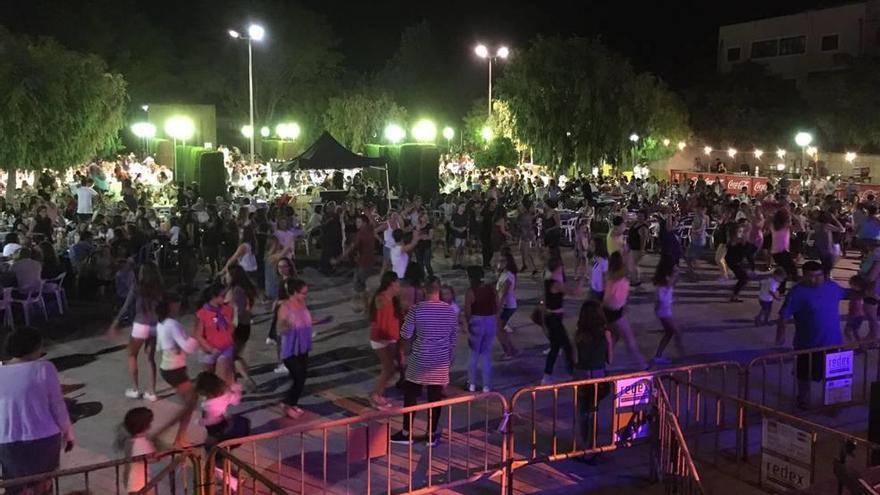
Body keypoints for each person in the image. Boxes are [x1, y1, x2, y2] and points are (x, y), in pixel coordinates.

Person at [0, 329, 74, 494]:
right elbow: (57, 405)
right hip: (44, 437)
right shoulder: (44, 368)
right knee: (43, 486)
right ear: (34, 347)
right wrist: (68, 433)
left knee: (15, 486)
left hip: (8, 440)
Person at [391, 277, 458, 447]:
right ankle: (431, 435)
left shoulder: (417, 309)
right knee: (434, 398)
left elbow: (405, 334)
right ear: (439, 290)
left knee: (411, 395)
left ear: (424, 290)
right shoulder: (450, 311)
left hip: (419, 359)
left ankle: (407, 433)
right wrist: (450, 359)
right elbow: (453, 338)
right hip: (440, 361)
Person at [776, 261, 846, 408]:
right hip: (807, 343)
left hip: (833, 342)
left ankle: (834, 403)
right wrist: (780, 334)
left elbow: (848, 293)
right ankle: (803, 399)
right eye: (810, 276)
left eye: (818, 275)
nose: (815, 279)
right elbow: (784, 315)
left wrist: (866, 289)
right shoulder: (797, 292)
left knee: (834, 376)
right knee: (803, 374)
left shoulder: (832, 287)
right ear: (804, 276)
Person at [277, 278, 332, 419]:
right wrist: (286, 327)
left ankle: (290, 403)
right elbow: (281, 325)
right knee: (299, 377)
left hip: (303, 347)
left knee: (301, 378)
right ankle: (287, 404)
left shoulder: (302, 304)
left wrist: (321, 321)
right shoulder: (285, 307)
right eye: (303, 293)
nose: (305, 296)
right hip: (291, 349)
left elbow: (306, 319)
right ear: (294, 292)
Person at [109, 261, 164, 401]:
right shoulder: (159, 288)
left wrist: (116, 322)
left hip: (140, 324)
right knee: (150, 359)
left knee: (132, 355)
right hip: (154, 325)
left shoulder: (137, 287)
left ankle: (135, 389)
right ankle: (152, 392)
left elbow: (126, 306)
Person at [154, 292, 199, 447]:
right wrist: (196, 335)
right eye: (177, 303)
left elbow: (160, 347)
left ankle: (179, 437)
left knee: (190, 403)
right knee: (189, 404)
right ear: (170, 305)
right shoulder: (172, 324)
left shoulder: (161, 323)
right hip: (175, 369)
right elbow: (188, 347)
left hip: (168, 367)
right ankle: (171, 436)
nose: (179, 306)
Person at [574, 300, 613, 462]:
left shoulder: (578, 334)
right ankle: (593, 446)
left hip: (582, 375)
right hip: (598, 375)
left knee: (583, 412)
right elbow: (610, 359)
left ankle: (584, 446)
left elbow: (575, 358)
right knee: (594, 412)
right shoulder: (606, 334)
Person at [542, 257, 584, 384]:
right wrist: (582, 278)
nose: (563, 269)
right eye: (561, 267)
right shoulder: (555, 284)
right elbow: (575, 292)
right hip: (554, 319)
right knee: (567, 345)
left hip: (552, 318)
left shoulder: (549, 281)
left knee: (555, 347)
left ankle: (547, 375)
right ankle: (571, 373)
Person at [604, 252, 648, 370]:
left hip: (611, 310)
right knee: (628, 338)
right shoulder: (619, 276)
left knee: (615, 336)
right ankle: (640, 364)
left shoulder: (611, 276)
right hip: (615, 311)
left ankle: (607, 361)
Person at [369, 272, 402, 409]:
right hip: (381, 339)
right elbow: (378, 319)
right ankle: (376, 395)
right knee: (389, 368)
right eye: (397, 282)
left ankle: (379, 393)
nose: (399, 285)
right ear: (391, 283)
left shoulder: (394, 299)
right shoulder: (381, 299)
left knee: (392, 368)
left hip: (391, 338)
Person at [194, 372, 251, 452]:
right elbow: (236, 400)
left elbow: (212, 421)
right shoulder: (225, 396)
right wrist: (236, 388)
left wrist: (200, 422)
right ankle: (224, 461)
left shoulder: (208, 405)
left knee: (212, 450)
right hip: (234, 428)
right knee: (223, 450)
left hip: (218, 431)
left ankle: (216, 461)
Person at [194, 282, 236, 386]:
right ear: (214, 297)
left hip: (225, 348)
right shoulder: (202, 313)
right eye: (223, 296)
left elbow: (231, 328)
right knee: (210, 379)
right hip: (208, 350)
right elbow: (198, 335)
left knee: (222, 378)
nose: (226, 298)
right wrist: (211, 349)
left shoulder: (228, 310)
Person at [464, 266, 498, 392]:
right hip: (490, 320)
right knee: (486, 355)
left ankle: (471, 384)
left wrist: (467, 324)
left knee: (473, 355)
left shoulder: (471, 291)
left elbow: (468, 311)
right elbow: (497, 304)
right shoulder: (491, 289)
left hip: (476, 321)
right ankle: (486, 386)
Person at [224, 265, 258, 391]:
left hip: (236, 327)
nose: (225, 277)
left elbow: (237, 310)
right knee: (234, 356)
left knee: (232, 356)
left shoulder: (235, 291)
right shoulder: (244, 289)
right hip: (244, 326)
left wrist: (231, 327)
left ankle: (247, 379)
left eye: (227, 274)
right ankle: (235, 382)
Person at [336, 214, 376, 313]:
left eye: (359, 222)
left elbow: (351, 249)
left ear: (364, 223)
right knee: (362, 286)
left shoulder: (361, 234)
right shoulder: (370, 230)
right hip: (368, 261)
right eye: (356, 222)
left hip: (363, 263)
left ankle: (368, 308)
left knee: (361, 286)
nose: (356, 224)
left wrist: (338, 259)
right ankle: (367, 307)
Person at [115, 407, 156, 494]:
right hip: (139, 483)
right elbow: (153, 458)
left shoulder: (129, 440)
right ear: (146, 425)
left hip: (131, 481)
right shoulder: (141, 443)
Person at [651, 266, 683, 364]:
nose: (677, 278)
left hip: (664, 312)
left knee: (670, 333)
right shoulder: (664, 287)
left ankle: (659, 355)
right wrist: (658, 309)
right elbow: (659, 301)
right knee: (675, 331)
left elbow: (663, 299)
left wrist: (671, 300)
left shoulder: (668, 286)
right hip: (664, 313)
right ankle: (681, 354)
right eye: (675, 275)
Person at [495, 247, 520, 359]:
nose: (499, 263)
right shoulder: (505, 274)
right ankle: (511, 349)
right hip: (507, 305)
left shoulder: (508, 276)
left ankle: (509, 352)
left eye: (502, 261)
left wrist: (497, 309)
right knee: (499, 329)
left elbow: (503, 294)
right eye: (499, 261)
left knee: (498, 330)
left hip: (507, 306)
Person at [845, 275, 867, 342]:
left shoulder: (856, 294)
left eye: (851, 284)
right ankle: (860, 346)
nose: (850, 285)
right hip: (859, 316)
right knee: (855, 332)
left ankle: (852, 344)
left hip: (854, 316)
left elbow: (856, 307)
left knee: (847, 331)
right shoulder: (861, 293)